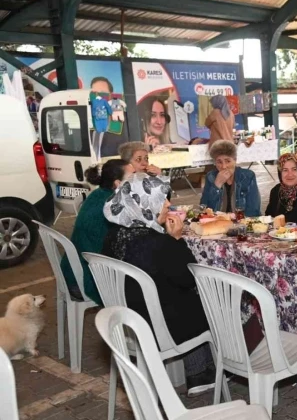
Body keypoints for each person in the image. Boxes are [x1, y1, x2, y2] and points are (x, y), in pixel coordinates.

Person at [102, 174, 215, 396]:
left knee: (178, 295)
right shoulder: (158, 244)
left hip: (125, 317)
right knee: (204, 297)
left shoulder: (114, 236)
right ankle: (199, 373)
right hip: (157, 323)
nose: (168, 204)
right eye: (162, 200)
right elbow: (187, 277)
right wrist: (177, 240)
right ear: (144, 204)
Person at [60, 159, 133, 304]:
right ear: (118, 183)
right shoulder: (112, 205)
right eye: (133, 177)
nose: (137, 180)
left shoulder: (99, 194)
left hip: (74, 271)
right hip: (86, 279)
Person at [200, 140, 261, 216]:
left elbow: (253, 210)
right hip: (219, 223)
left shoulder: (248, 176)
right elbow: (204, 209)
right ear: (215, 162)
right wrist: (216, 186)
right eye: (219, 162)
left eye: (228, 161)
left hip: (242, 223)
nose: (224, 166)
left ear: (235, 160)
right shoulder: (211, 177)